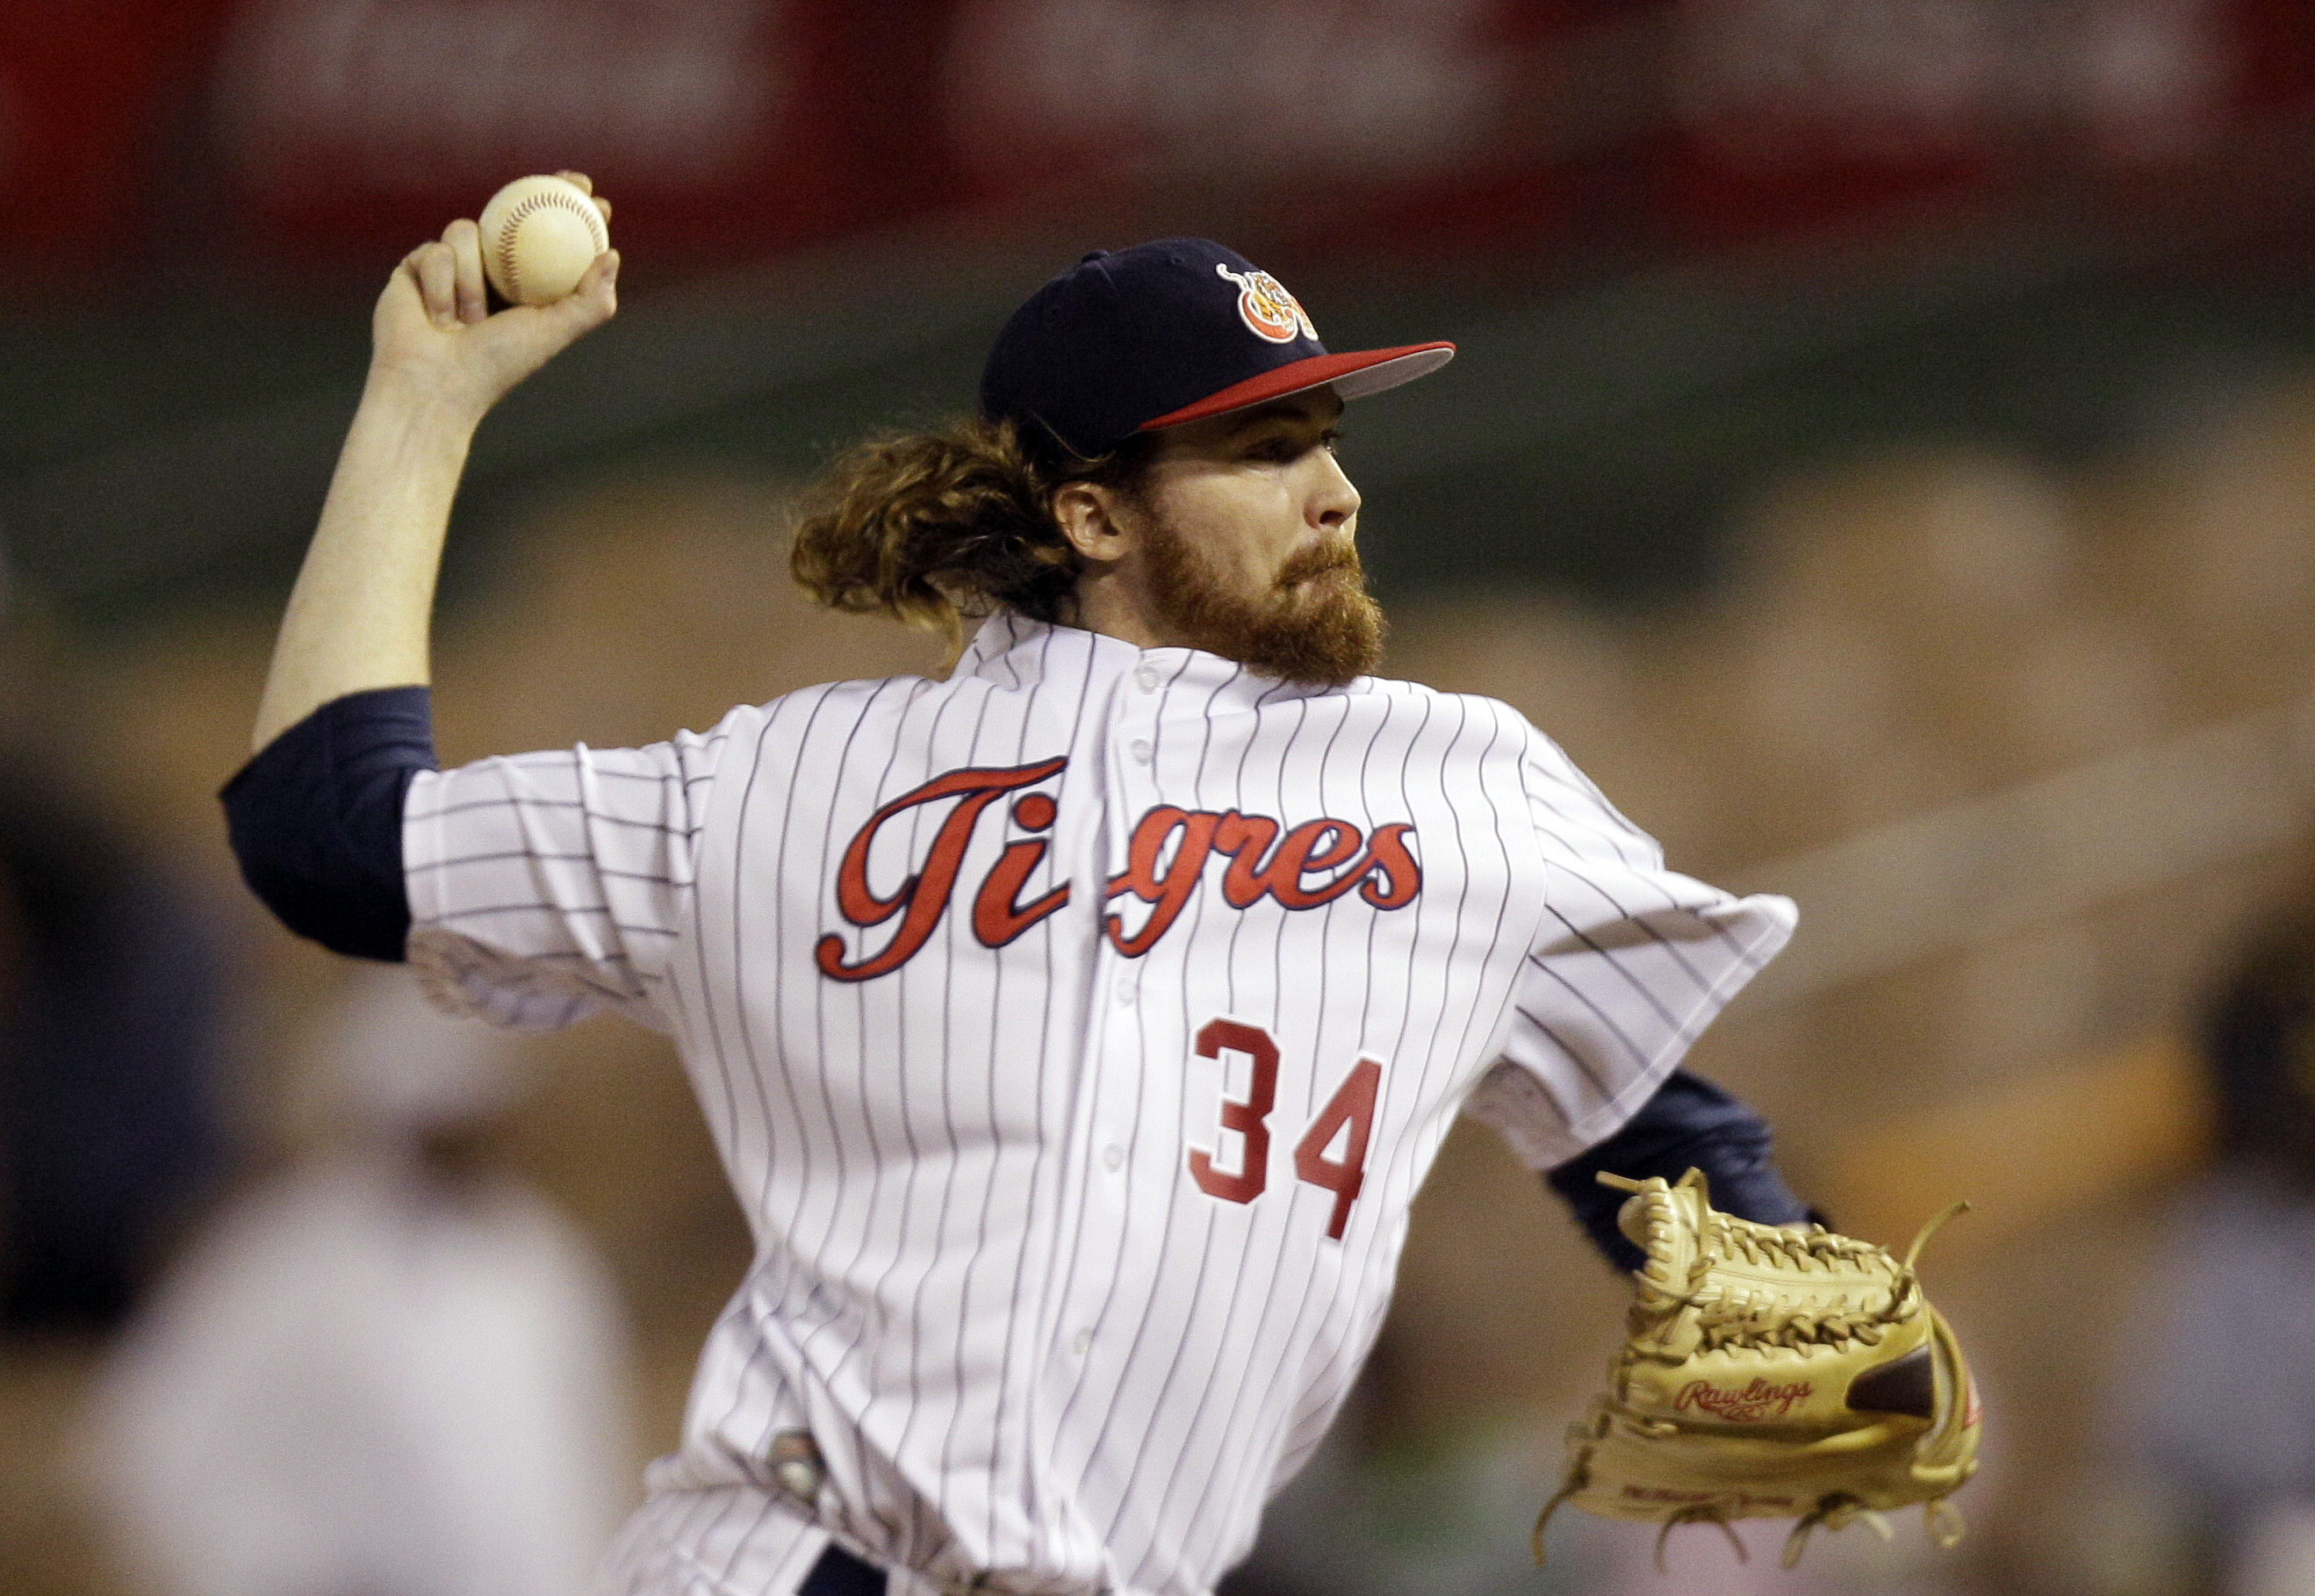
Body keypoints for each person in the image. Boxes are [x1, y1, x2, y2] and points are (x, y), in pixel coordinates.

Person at [222, 184, 1813, 1596]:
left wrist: (1816, 1367)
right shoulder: (790, 784)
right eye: (1263, 452)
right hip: (788, 1558)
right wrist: (421, 408)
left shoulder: (1463, 784)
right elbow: (331, 836)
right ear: (1090, 511)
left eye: (1326, 440)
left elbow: (1648, 1130)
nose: (1333, 494)